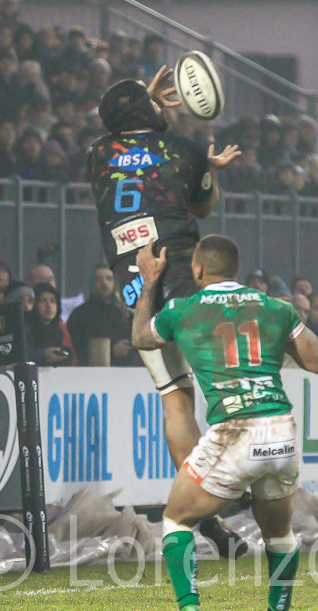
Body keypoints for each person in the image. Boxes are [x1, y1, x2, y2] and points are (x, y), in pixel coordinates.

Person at [131, 236, 318, 611]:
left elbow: (141, 337)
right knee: (279, 531)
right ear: (235, 269)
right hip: (281, 430)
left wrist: (150, 281)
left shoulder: (183, 309)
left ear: (198, 269)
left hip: (236, 430)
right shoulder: (276, 308)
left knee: (176, 519)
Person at [86, 70, 245, 554]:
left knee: (175, 398)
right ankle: (239, 477)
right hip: (181, 276)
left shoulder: (97, 154)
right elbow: (203, 209)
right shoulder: (185, 150)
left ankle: (208, 518)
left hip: (135, 286)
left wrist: (143, 103)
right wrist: (209, 172)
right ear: (150, 111)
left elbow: (124, 137)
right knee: (225, 377)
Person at [27, 282, 75, 366]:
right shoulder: (25, 329)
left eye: (52, 301)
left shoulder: (58, 331)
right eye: (43, 301)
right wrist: (42, 356)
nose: (49, 305)